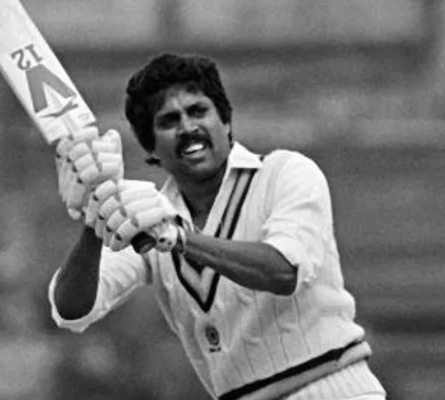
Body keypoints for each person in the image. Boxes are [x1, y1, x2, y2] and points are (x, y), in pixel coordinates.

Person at [48, 53, 387, 400]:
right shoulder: (152, 215)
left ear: (225, 121)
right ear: (151, 147)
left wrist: (180, 238)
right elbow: (71, 309)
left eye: (198, 111)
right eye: (169, 121)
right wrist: (96, 214)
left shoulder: (285, 173)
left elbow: (283, 271)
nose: (188, 128)